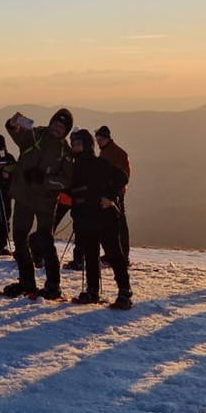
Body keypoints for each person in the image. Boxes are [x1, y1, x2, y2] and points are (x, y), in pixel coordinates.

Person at [2, 109, 74, 299]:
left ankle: (53, 285)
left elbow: (67, 180)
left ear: (66, 131)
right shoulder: (37, 135)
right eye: (55, 124)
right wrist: (13, 122)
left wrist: (44, 180)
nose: (57, 129)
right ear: (50, 123)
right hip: (24, 197)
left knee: (45, 241)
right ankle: (27, 282)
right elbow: (16, 133)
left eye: (61, 127)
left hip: (45, 201)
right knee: (19, 238)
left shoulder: (65, 150)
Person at [69, 129, 132, 308]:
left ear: (88, 145)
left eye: (79, 143)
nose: (76, 147)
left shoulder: (99, 164)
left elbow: (122, 177)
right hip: (86, 218)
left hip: (104, 218)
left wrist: (110, 197)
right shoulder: (74, 168)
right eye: (73, 144)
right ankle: (92, 290)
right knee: (91, 256)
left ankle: (124, 291)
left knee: (114, 255)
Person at [95, 126, 132, 267]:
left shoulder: (116, 153)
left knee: (119, 225)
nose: (98, 142)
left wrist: (112, 192)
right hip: (109, 194)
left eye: (101, 139)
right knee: (112, 225)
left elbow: (124, 175)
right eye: (97, 140)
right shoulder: (106, 152)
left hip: (115, 195)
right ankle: (114, 254)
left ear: (107, 138)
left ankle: (122, 256)